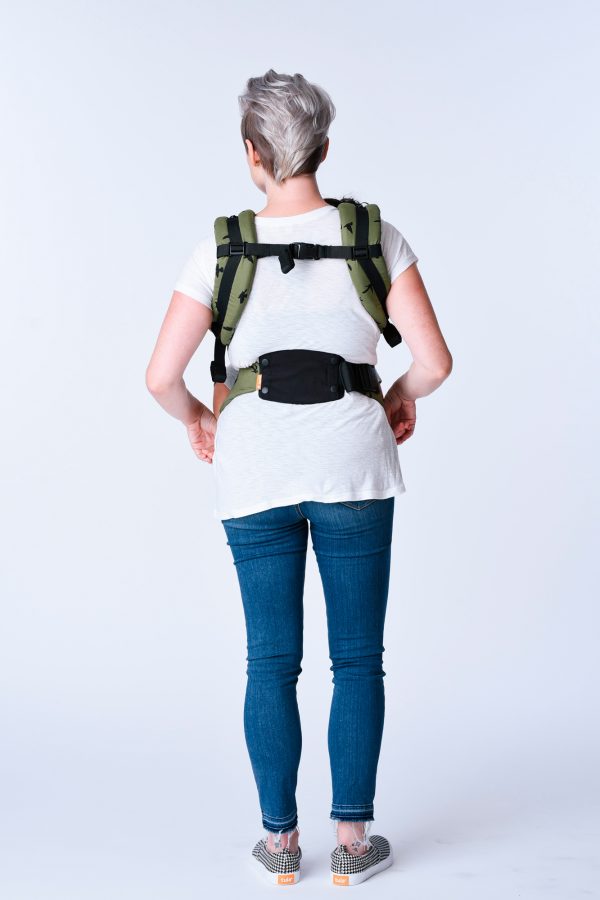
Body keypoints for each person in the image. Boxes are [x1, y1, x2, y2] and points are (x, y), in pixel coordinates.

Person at [146, 68, 452, 886]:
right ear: (324, 147)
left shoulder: (219, 248)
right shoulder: (377, 237)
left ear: (252, 154)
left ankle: (281, 848)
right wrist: (397, 396)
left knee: (269, 662)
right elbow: (434, 363)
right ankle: (352, 843)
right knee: (357, 660)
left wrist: (198, 418)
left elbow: (160, 377)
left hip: (254, 468)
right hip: (355, 462)